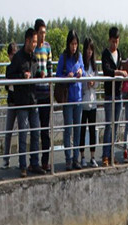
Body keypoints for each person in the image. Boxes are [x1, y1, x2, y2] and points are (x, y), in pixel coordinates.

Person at [6, 28, 46, 177]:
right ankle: (23, 165)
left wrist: (39, 75)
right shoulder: (18, 58)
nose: (36, 44)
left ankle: (34, 163)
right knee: (23, 134)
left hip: (33, 100)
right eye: (34, 41)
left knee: (36, 133)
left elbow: (34, 72)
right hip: (22, 102)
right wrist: (22, 76)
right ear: (27, 41)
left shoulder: (34, 57)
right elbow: (9, 75)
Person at [56, 30, 84, 170]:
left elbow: (84, 72)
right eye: (72, 44)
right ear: (68, 44)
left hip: (78, 99)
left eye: (76, 43)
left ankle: (76, 158)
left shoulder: (79, 57)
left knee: (77, 129)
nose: (74, 46)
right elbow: (58, 74)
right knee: (68, 129)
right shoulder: (64, 57)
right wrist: (68, 75)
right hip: (68, 99)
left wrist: (80, 73)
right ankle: (68, 158)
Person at [101, 26, 128, 167]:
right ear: (109, 40)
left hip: (119, 94)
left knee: (116, 126)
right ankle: (105, 155)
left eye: (116, 41)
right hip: (109, 94)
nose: (114, 44)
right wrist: (119, 72)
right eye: (112, 41)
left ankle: (111, 155)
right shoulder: (105, 54)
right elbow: (107, 70)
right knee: (109, 126)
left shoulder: (120, 53)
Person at [34, 19, 53, 172]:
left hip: (46, 93)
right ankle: (33, 161)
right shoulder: (33, 49)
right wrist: (36, 74)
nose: (43, 36)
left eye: (44, 33)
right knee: (35, 129)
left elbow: (50, 67)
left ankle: (45, 161)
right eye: (41, 33)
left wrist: (48, 78)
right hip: (35, 94)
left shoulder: (47, 48)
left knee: (45, 130)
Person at [79, 37, 98, 168]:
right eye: (87, 49)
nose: (89, 52)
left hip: (93, 102)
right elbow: (81, 82)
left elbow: (97, 82)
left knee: (92, 130)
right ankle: (82, 156)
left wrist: (93, 83)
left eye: (91, 50)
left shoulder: (94, 65)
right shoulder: (82, 64)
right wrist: (88, 83)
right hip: (83, 101)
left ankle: (92, 156)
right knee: (82, 129)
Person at [3, 42, 18, 169]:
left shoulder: (20, 66)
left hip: (20, 102)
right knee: (8, 132)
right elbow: (7, 86)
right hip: (11, 103)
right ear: (8, 55)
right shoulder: (8, 68)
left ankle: (21, 160)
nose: (13, 56)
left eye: (15, 54)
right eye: (12, 54)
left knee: (22, 132)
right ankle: (5, 159)